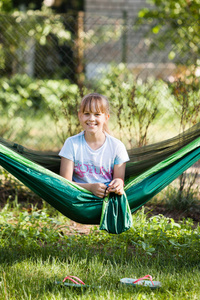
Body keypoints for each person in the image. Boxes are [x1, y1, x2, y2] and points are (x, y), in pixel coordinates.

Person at [59, 93, 129, 199]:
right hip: (78, 198)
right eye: (87, 113)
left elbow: (118, 179)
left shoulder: (117, 147)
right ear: (80, 116)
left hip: (107, 199)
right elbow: (64, 183)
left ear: (106, 117)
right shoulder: (72, 144)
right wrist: (91, 188)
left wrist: (118, 183)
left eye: (97, 114)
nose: (91, 119)